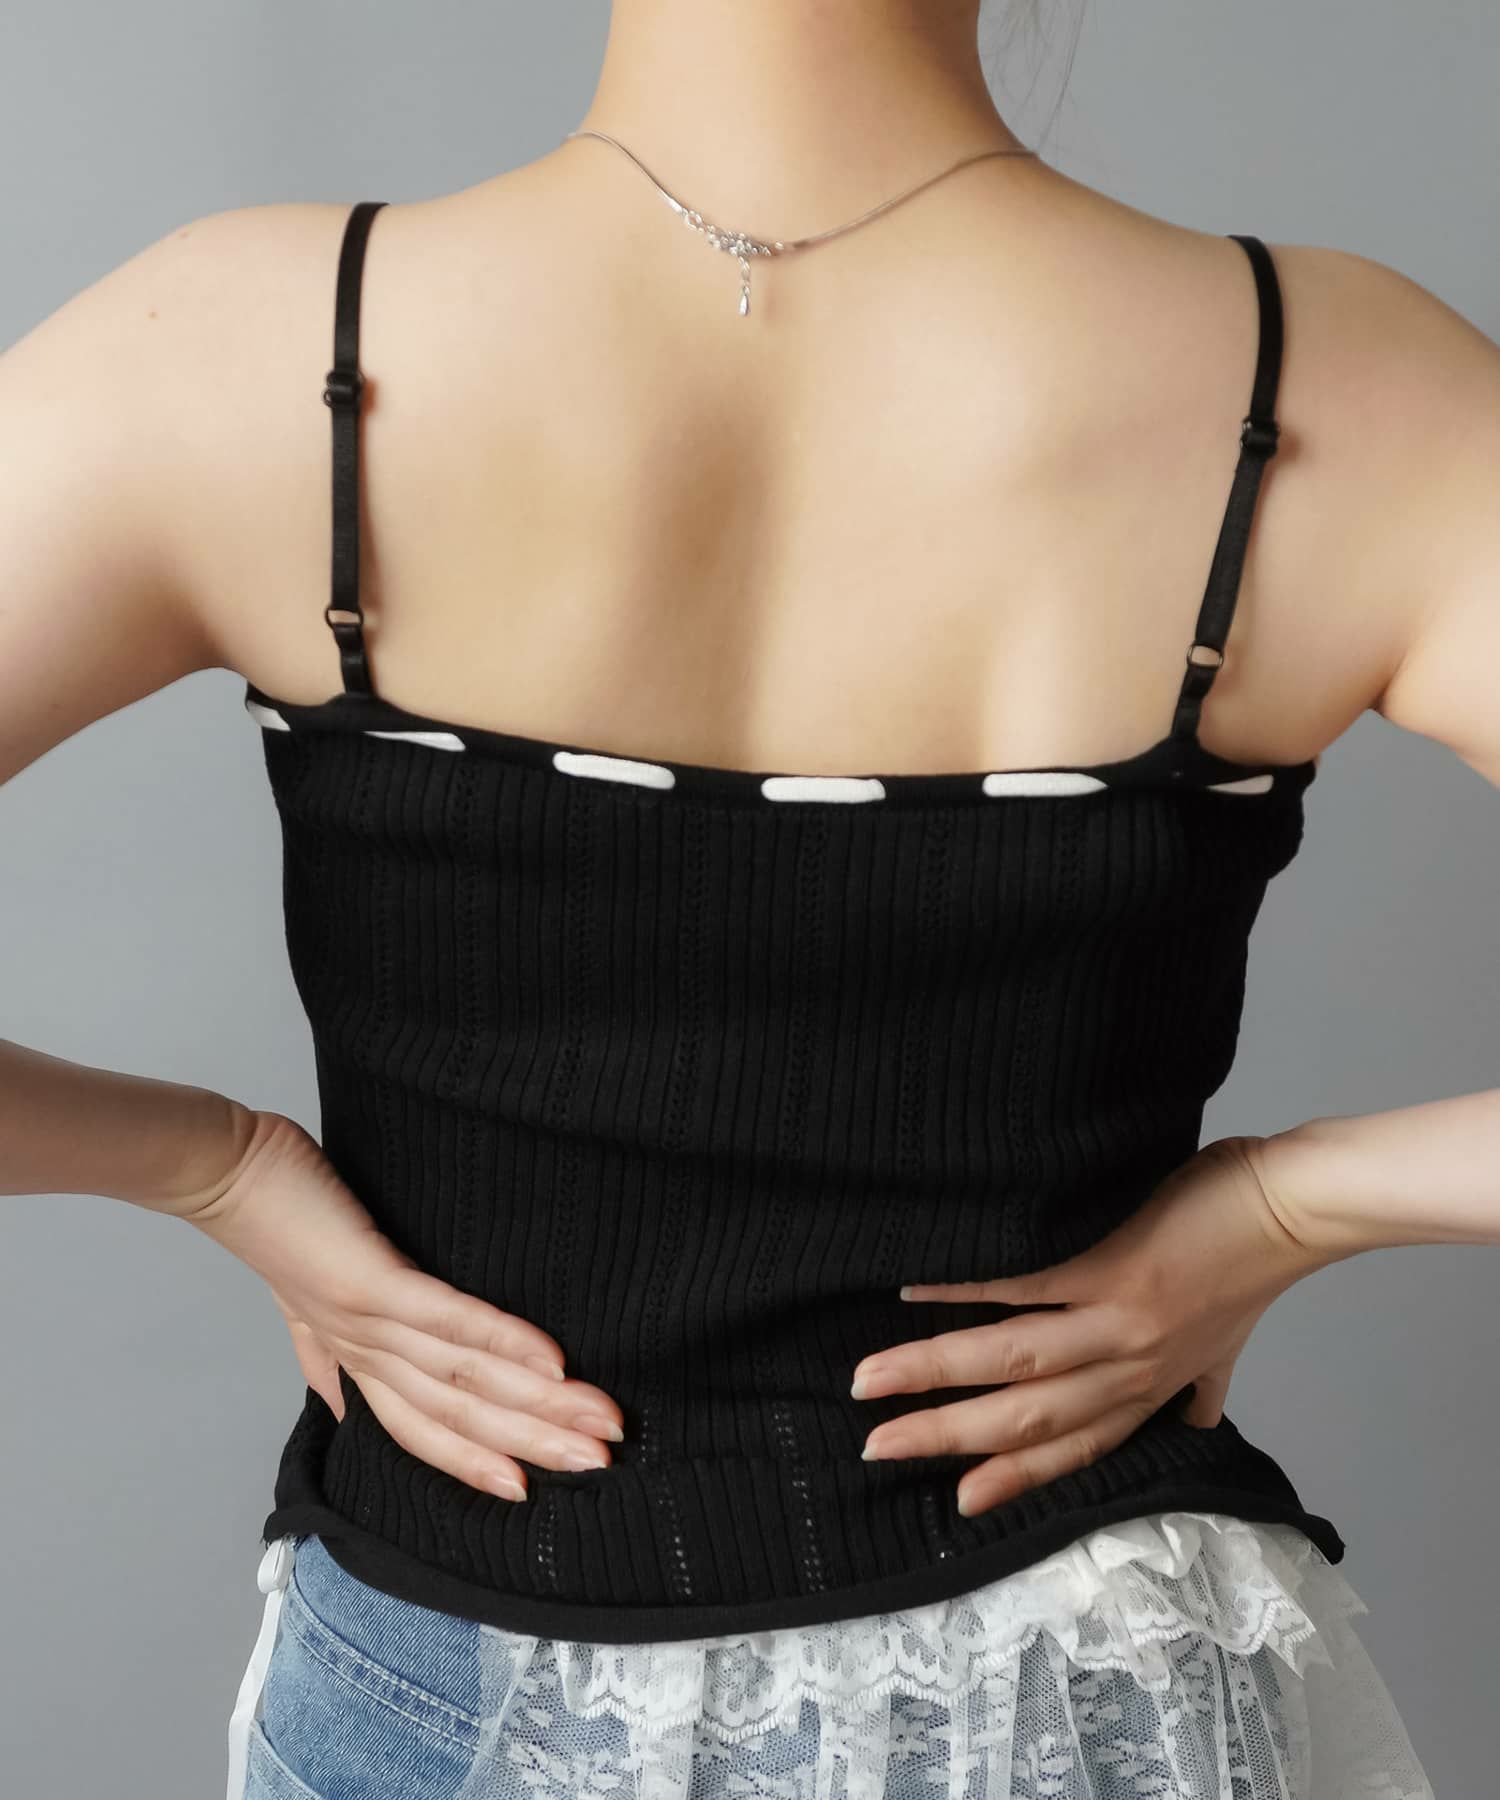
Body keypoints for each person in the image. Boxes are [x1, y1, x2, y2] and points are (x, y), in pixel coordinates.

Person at [3, 1, 1496, 1795]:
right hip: (1088, 1699)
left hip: (445, 1683)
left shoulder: (252, 345)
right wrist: (1283, 1204)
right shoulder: (1332, 386)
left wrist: (217, 1165)